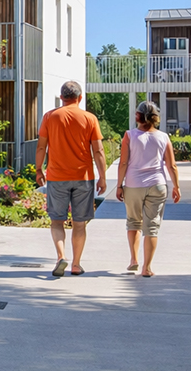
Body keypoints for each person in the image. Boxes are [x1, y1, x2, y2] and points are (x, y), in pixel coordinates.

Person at [35, 81, 107, 277]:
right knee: (79, 223)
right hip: (83, 177)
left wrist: (39, 169)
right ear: (80, 98)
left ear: (61, 98)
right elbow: (98, 151)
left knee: (57, 221)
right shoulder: (90, 118)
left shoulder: (49, 117)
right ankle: (76, 264)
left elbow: (41, 146)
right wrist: (102, 177)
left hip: (57, 177)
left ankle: (61, 257)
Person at [116, 101, 181, 277]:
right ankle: (147, 268)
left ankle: (133, 260)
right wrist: (176, 186)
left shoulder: (129, 136)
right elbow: (171, 165)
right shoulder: (163, 137)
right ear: (156, 117)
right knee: (152, 227)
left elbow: (123, 163)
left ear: (137, 116)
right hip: (157, 185)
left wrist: (119, 185)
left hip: (133, 185)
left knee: (133, 223)